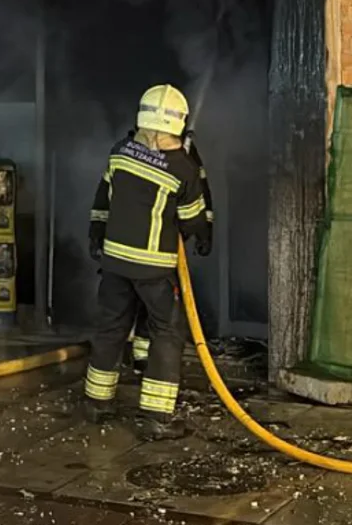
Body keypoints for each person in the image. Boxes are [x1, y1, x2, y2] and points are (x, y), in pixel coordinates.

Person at [82, 84, 212, 440]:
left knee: (110, 328)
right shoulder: (183, 168)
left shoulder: (121, 152)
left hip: (115, 263)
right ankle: (156, 417)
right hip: (154, 269)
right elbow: (191, 220)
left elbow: (103, 198)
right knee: (167, 332)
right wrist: (204, 232)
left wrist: (96, 234)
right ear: (179, 124)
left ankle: (96, 402)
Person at [126, 128, 215, 374]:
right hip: (141, 241)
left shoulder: (185, 152)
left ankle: (144, 353)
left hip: (169, 241)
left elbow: (200, 191)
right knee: (147, 300)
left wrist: (205, 231)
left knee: (158, 300)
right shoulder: (137, 145)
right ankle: (143, 353)